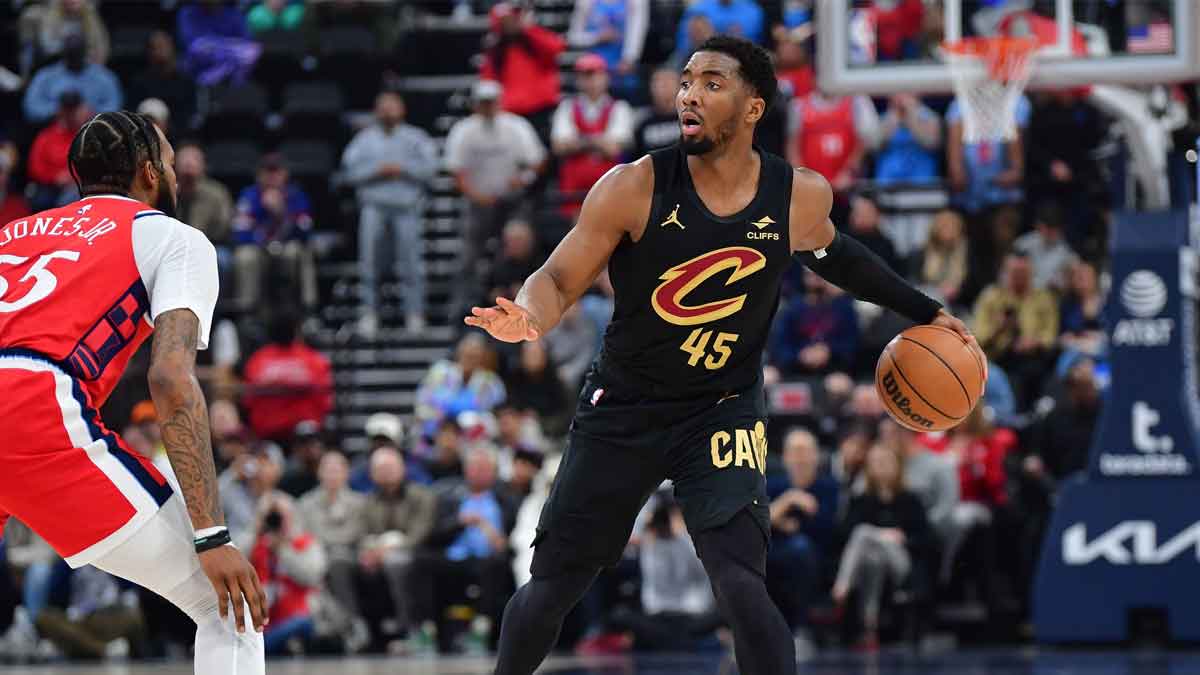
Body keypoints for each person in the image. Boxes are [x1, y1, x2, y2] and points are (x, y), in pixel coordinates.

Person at [465, 36, 974, 675]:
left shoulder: (797, 195)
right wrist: (529, 314)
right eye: (685, 82)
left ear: (753, 106)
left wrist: (925, 310)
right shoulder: (633, 187)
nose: (689, 95)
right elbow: (561, 277)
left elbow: (838, 257)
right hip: (625, 406)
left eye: (711, 83)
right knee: (557, 585)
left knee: (738, 579)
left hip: (721, 407)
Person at [0, 110, 266, 672]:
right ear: (149, 171)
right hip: (33, 402)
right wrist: (212, 536)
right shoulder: (174, 238)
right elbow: (170, 376)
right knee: (230, 604)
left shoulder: (13, 232)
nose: (173, 174)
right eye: (169, 163)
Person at [444, 80, 547, 316]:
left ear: (499, 102)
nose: (488, 107)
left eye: (491, 102)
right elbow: (455, 171)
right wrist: (476, 195)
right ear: (476, 105)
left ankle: (529, 300)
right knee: (468, 254)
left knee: (520, 243)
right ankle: (462, 307)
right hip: (478, 201)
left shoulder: (516, 126)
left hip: (512, 200)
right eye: (483, 102)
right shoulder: (464, 130)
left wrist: (523, 179)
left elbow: (538, 162)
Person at [342, 90, 439, 337]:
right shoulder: (364, 140)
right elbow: (349, 172)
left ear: (402, 110)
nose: (387, 111)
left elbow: (431, 168)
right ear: (376, 111)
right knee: (370, 263)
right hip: (374, 206)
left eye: (392, 107)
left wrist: (403, 169)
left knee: (411, 263)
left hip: (407, 207)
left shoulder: (416, 138)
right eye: (383, 107)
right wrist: (377, 171)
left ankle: (414, 314)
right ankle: (369, 314)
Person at [831, 443, 931, 650]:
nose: (881, 467)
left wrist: (902, 538)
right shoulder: (861, 499)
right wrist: (883, 536)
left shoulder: (911, 499)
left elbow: (926, 537)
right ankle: (870, 624)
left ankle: (842, 586)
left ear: (897, 466)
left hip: (902, 563)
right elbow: (843, 532)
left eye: (886, 462)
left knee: (863, 533)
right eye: (876, 462)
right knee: (872, 557)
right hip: (870, 563)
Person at [551, 54, 635, 215]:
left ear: (605, 77)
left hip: (609, 185)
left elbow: (613, 149)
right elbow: (559, 147)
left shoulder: (620, 108)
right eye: (585, 76)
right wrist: (599, 141)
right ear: (578, 80)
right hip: (574, 188)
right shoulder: (567, 107)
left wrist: (578, 143)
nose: (590, 81)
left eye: (594, 74)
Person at [232, 153, 317, 310]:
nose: (272, 176)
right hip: (259, 247)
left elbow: (306, 230)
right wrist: (262, 237)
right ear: (259, 175)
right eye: (267, 171)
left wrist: (282, 212)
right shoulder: (249, 196)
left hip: (287, 245)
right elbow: (240, 232)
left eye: (276, 171)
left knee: (297, 252)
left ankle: (306, 310)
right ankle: (247, 312)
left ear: (285, 174)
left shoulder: (296, 195)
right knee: (245, 256)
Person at [240, 312, 333, 443]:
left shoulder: (258, 359)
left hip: (304, 434)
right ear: (297, 332)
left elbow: (247, 400)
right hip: (268, 435)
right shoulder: (313, 359)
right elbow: (248, 399)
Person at [22, 33, 121, 124]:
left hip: (93, 129)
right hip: (54, 129)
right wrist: (58, 111)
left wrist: (91, 113)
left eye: (77, 54)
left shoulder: (104, 76)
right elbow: (31, 108)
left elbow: (115, 107)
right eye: (71, 54)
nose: (74, 58)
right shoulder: (45, 76)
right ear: (63, 53)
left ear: (84, 52)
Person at [26, 92, 91, 211]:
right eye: (67, 109)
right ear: (60, 111)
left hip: (82, 185)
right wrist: (54, 177)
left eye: (74, 109)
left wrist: (73, 177)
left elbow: (97, 164)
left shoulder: (90, 136)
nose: (71, 114)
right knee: (40, 199)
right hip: (51, 185)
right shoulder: (46, 136)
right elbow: (35, 167)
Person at [633, 67, 682, 158]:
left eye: (668, 82)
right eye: (657, 82)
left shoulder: (691, 117)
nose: (662, 87)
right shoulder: (643, 122)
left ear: (679, 86)